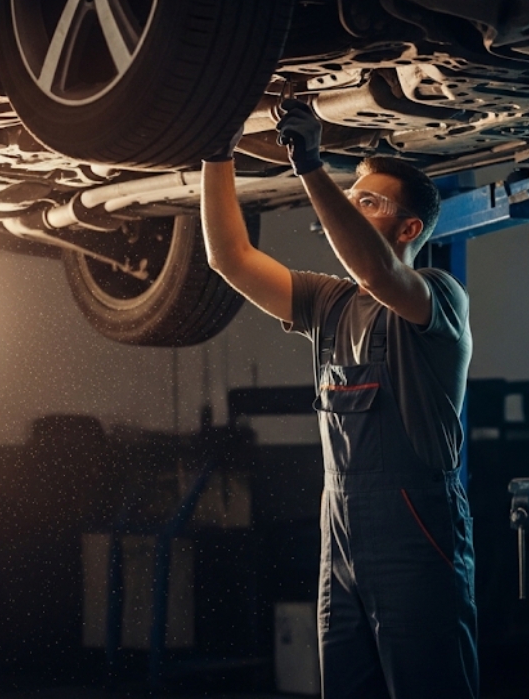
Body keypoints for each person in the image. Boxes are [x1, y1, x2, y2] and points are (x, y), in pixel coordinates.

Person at [198, 99, 477, 699]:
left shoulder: (437, 297)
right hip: (341, 536)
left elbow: (380, 274)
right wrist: (215, 151)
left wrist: (311, 167)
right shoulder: (328, 303)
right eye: (355, 197)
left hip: (416, 540)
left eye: (369, 202)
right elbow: (230, 258)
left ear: (409, 230)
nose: (353, 206)